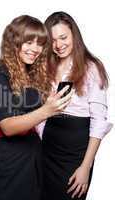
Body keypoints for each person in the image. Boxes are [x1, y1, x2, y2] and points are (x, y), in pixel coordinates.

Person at [0, 15, 72, 200]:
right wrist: (46, 110)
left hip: (33, 159)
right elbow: (7, 127)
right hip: (7, 163)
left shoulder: (31, 72)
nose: (35, 49)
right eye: (29, 42)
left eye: (40, 43)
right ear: (14, 40)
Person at [36, 11, 112, 200]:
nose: (59, 45)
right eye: (53, 40)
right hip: (47, 147)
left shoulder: (91, 67)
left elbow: (99, 122)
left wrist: (86, 167)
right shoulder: (46, 66)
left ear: (74, 36)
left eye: (63, 37)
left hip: (75, 152)